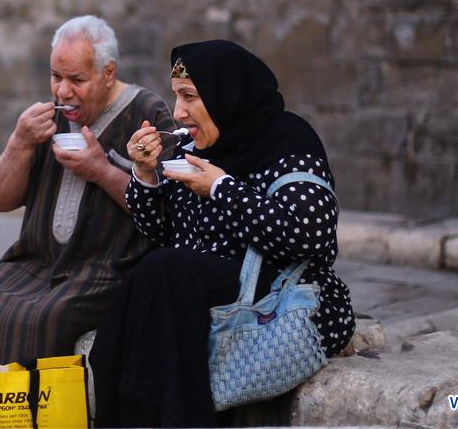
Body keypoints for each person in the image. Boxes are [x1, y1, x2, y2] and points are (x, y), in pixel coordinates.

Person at [89, 40, 355, 427]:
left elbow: (308, 237)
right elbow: (161, 233)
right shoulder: (195, 146)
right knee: (142, 288)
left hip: (278, 294)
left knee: (165, 273)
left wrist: (221, 187)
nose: (178, 113)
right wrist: (145, 174)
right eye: (176, 96)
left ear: (226, 95)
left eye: (190, 97)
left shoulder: (288, 142)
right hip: (195, 289)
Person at [0, 16, 172, 364]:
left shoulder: (147, 112)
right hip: (34, 263)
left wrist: (101, 171)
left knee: (48, 320)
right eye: (56, 77)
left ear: (108, 73)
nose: (63, 91)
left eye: (77, 80)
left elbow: (167, 211)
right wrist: (19, 141)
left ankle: (36, 416)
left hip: (107, 269)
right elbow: (0, 199)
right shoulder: (46, 119)